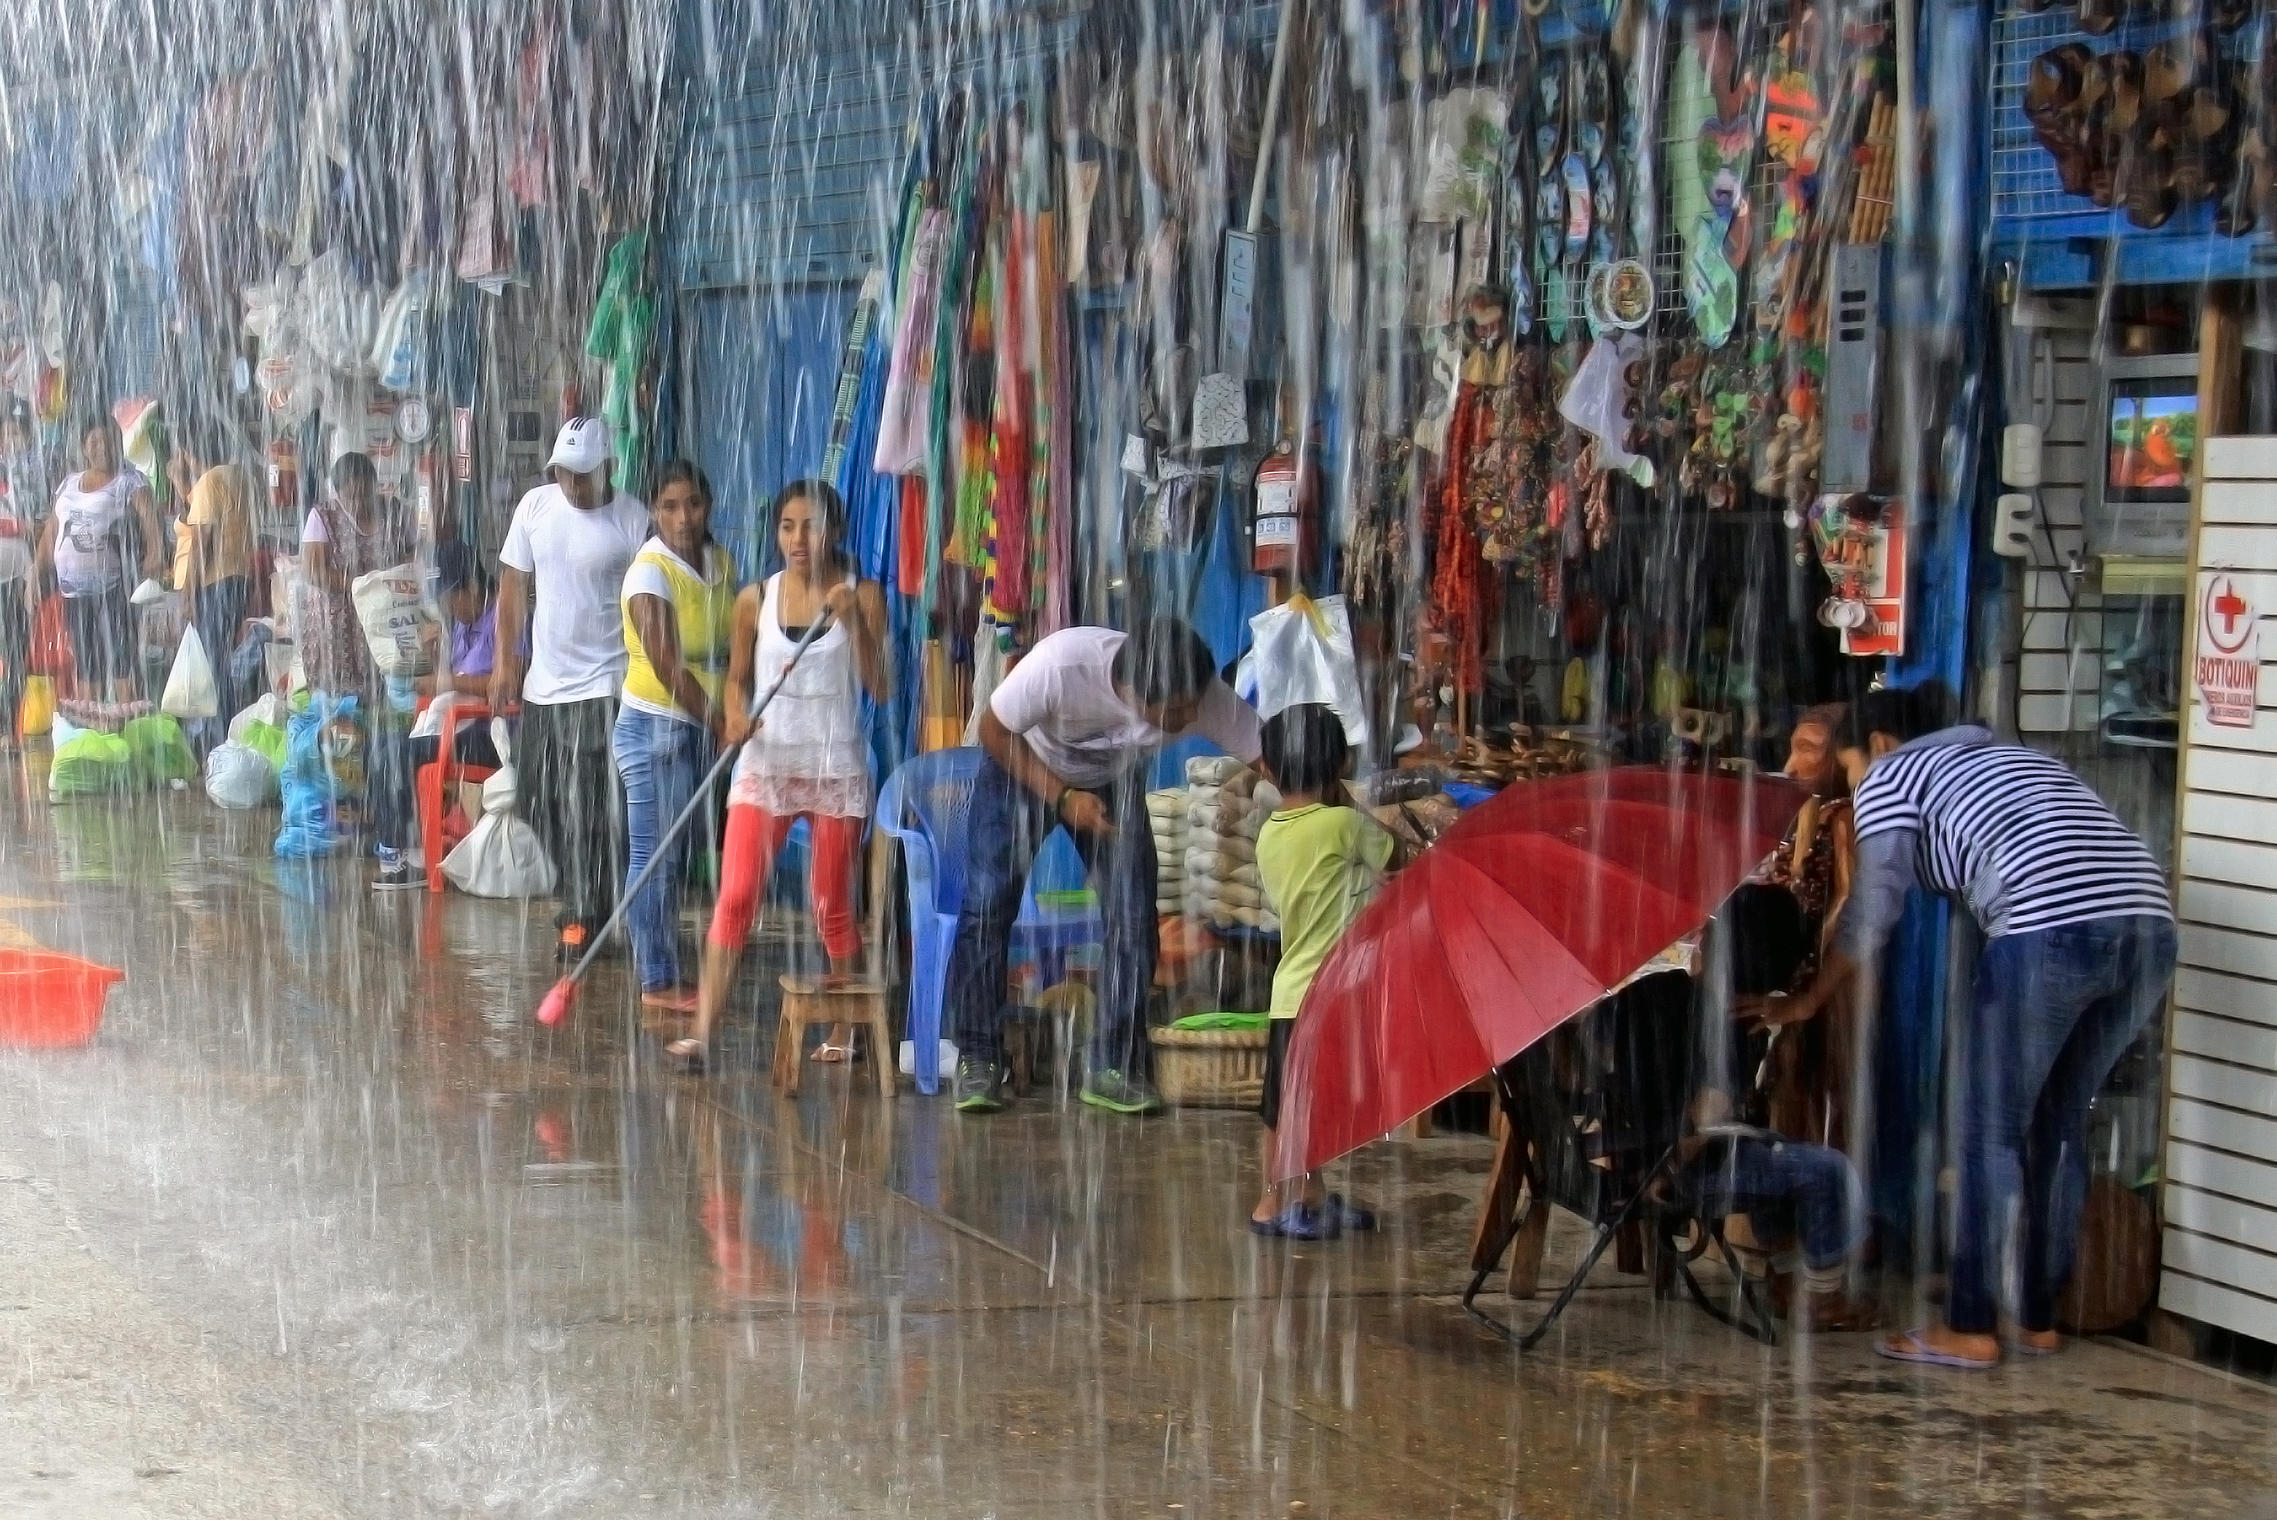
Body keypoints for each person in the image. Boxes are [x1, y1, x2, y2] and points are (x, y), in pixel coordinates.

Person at [1774, 685, 2176, 1370]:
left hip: (2047, 928)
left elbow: (1873, 908)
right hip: (2147, 929)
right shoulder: (2017, 760)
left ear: (1876, 745)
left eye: (1845, 769)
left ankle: (1968, 1324)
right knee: (2058, 1120)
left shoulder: (1892, 775)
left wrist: (1809, 999)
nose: (1850, 786)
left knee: (1987, 1131)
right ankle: (2034, 1315)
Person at [951, 616, 1261, 1117]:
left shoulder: (1200, 695)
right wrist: (1062, 798)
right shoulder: (1062, 665)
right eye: (1174, 713)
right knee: (987, 907)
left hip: (1109, 786)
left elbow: (1271, 756)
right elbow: (991, 729)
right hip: (1020, 769)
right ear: (1133, 690)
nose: (1187, 721)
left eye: (1191, 709)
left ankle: (1113, 1065)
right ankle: (978, 1058)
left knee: (1134, 916)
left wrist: (1329, 813)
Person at [667, 479, 888, 1073]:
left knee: (829, 904)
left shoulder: (863, 594)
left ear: (835, 531)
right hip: (765, 767)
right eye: (787, 527)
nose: (798, 539)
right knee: (736, 895)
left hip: (832, 768)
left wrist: (857, 625)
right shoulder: (753, 599)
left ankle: (846, 1024)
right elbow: (738, 680)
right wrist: (735, 713)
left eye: (811, 527)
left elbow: (881, 687)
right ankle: (701, 1034)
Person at [490, 417, 652, 960]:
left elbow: (647, 600)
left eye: (584, 474)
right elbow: (513, 586)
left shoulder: (633, 519)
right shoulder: (534, 508)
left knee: (588, 805)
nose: (573, 485)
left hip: (604, 683)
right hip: (544, 687)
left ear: (607, 468)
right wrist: (503, 658)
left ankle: (583, 915)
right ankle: (589, 904)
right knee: (538, 799)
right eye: (564, 472)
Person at [1249, 703, 1393, 1239]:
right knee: (1288, 1108)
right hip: (1325, 989)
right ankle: (1271, 1202)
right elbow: (1395, 856)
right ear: (1342, 766)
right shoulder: (1345, 826)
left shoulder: (1270, 835)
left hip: (1296, 990)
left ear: (1267, 769)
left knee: (1300, 1100)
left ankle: (1307, 1193)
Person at [611, 462, 738, 1011]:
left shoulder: (720, 563)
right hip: (655, 729)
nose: (683, 517)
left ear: (708, 502)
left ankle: (663, 969)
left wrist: (734, 708)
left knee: (673, 855)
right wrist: (721, 722)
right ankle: (657, 979)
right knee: (655, 856)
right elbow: (667, 665)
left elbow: (738, 646)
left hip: (701, 726)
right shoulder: (649, 573)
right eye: (668, 506)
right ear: (653, 511)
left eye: (692, 503)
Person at [367, 543, 503, 891]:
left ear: (473, 588)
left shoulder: (503, 616)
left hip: (491, 731)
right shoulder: (461, 625)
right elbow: (449, 682)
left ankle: (413, 854)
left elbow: (509, 682)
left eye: (452, 599)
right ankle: (395, 847)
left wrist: (446, 682)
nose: (449, 609)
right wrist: (435, 655)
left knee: (401, 753)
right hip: (457, 725)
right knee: (382, 743)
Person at [1752, 702, 1858, 1147]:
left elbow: (1850, 900)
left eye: (1808, 750)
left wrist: (1814, 986)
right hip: (1803, 980)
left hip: (1829, 982)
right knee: (1793, 1080)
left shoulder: (1844, 818)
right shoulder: (1807, 815)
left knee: (1827, 1088)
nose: (1791, 765)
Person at [34, 415, 164, 703]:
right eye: (94, 441)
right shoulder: (69, 484)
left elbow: (148, 515)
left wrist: (155, 551)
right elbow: (52, 529)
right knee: (86, 659)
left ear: (118, 444)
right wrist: (35, 570)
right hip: (74, 591)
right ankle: (89, 725)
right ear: (83, 447)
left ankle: (126, 724)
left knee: (121, 657)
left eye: (107, 441)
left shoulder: (129, 480)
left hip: (115, 586)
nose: (100, 447)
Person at [297, 452, 413, 699]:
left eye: (366, 494)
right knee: (342, 689)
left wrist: (401, 582)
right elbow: (313, 570)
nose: (360, 502)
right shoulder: (323, 515)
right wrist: (363, 588)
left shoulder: (393, 510)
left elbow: (412, 553)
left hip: (387, 613)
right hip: (341, 620)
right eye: (352, 496)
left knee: (391, 682)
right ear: (338, 493)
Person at [168, 423, 255, 740]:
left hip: (214, 582)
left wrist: (188, 595)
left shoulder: (209, 482)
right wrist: (181, 483)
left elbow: (202, 541)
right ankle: (227, 731)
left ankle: (217, 737)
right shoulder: (235, 478)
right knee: (218, 661)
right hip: (236, 578)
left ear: (190, 454)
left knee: (211, 665)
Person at [0, 402, 45, 747]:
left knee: (16, 653)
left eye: (19, 433)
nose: (14, 441)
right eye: (9, 434)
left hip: (18, 577)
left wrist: (33, 575)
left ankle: (8, 730)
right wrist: (19, 525)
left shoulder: (34, 474)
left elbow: (44, 522)